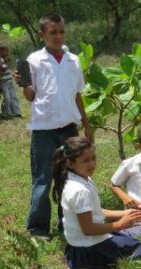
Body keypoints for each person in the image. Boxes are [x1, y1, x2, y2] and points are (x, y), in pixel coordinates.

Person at [14, 13, 93, 240]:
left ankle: (66, 222)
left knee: (67, 177)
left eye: (61, 32)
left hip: (69, 128)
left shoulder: (73, 60)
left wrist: (86, 124)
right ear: (42, 35)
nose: (58, 37)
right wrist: (24, 82)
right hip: (44, 131)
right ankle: (38, 229)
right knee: (43, 179)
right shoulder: (35, 61)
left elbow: (77, 94)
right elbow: (30, 96)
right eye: (52, 33)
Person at [52, 136, 141, 269]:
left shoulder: (80, 179)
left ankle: (82, 263)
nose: (92, 164)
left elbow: (96, 212)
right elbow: (88, 229)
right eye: (86, 161)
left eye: (93, 158)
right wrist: (120, 224)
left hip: (80, 244)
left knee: (128, 239)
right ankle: (85, 266)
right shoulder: (79, 190)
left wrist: (124, 213)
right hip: (88, 247)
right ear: (70, 163)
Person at [0, 45, 21, 117]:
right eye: (6, 51)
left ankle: (17, 112)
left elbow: (7, 70)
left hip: (9, 81)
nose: (7, 53)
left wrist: (14, 75)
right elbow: (3, 69)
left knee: (14, 97)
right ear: (0, 51)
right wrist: (6, 62)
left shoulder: (4, 59)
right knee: (7, 98)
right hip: (3, 83)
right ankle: (6, 113)